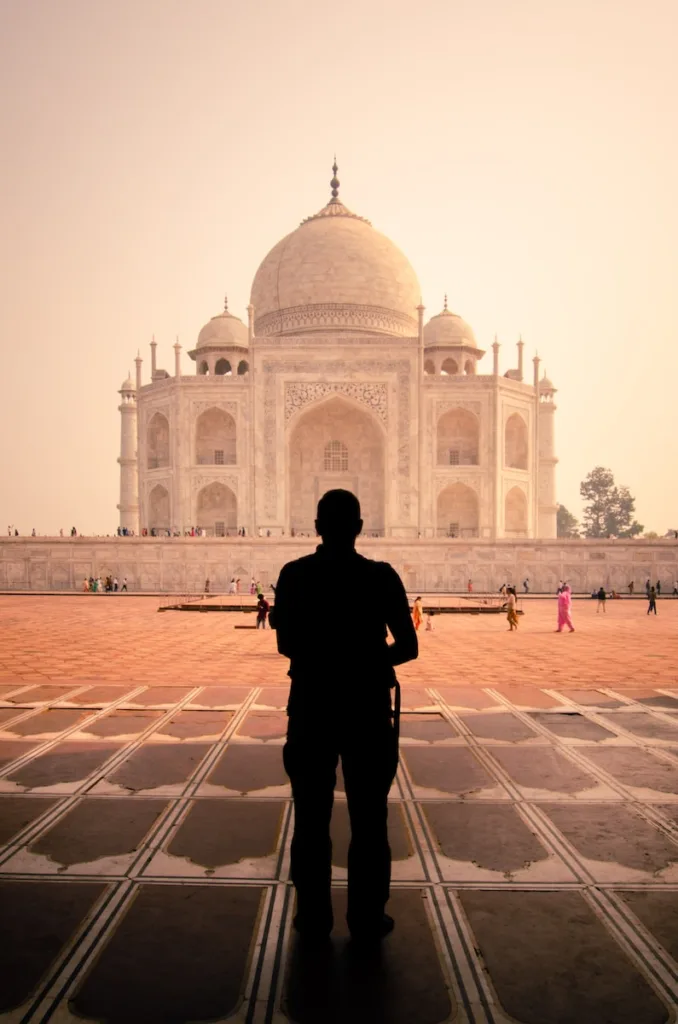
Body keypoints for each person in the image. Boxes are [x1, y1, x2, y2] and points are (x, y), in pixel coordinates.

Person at [271, 489, 417, 942]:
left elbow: (285, 645)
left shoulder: (295, 576)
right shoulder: (381, 577)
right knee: (370, 820)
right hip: (365, 710)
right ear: (359, 527)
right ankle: (367, 918)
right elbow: (409, 647)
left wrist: (325, 657)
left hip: (312, 706)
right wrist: (369, 662)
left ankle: (313, 917)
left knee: (311, 820)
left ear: (317, 526)